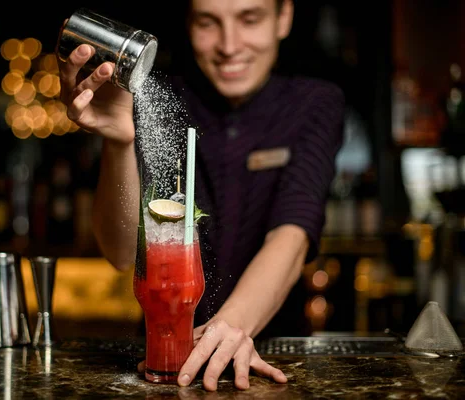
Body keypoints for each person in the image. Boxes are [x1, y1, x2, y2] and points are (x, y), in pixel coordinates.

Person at [58, 0, 345, 391]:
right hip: (164, 366)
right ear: (189, 23)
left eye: (249, 19)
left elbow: (291, 236)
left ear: (284, 18)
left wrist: (229, 328)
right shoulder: (154, 98)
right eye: (209, 22)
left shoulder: (314, 103)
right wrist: (119, 142)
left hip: (273, 363)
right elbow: (121, 251)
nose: (229, 45)